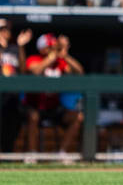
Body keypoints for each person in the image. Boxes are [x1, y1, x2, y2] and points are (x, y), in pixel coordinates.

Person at [24, 34, 84, 163]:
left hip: (54, 106)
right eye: (50, 47)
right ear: (42, 48)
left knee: (77, 117)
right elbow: (35, 71)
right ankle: (32, 154)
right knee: (33, 116)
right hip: (36, 105)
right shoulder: (34, 59)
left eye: (54, 47)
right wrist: (51, 57)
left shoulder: (59, 61)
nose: (53, 49)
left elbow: (79, 71)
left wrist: (65, 56)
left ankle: (61, 153)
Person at [0, 19, 31, 152]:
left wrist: (20, 46)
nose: (5, 32)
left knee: (11, 127)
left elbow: (23, 69)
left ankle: (8, 155)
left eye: (6, 29)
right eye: (2, 29)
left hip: (13, 96)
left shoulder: (14, 49)